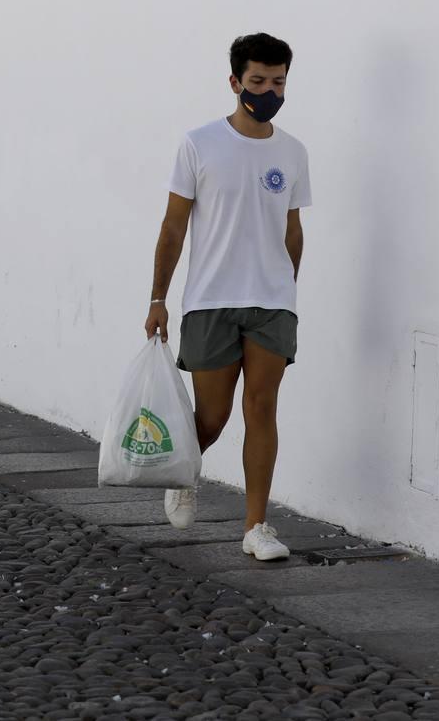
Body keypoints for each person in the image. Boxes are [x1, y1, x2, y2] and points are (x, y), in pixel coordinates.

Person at [144, 32, 311, 561]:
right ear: (235, 81)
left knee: (261, 407)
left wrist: (287, 289)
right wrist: (157, 299)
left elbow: (293, 229)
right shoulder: (199, 144)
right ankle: (185, 471)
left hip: (270, 301)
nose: (268, 90)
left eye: (278, 81)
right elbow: (173, 228)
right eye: (258, 80)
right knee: (211, 418)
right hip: (210, 299)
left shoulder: (293, 151)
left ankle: (256, 526)